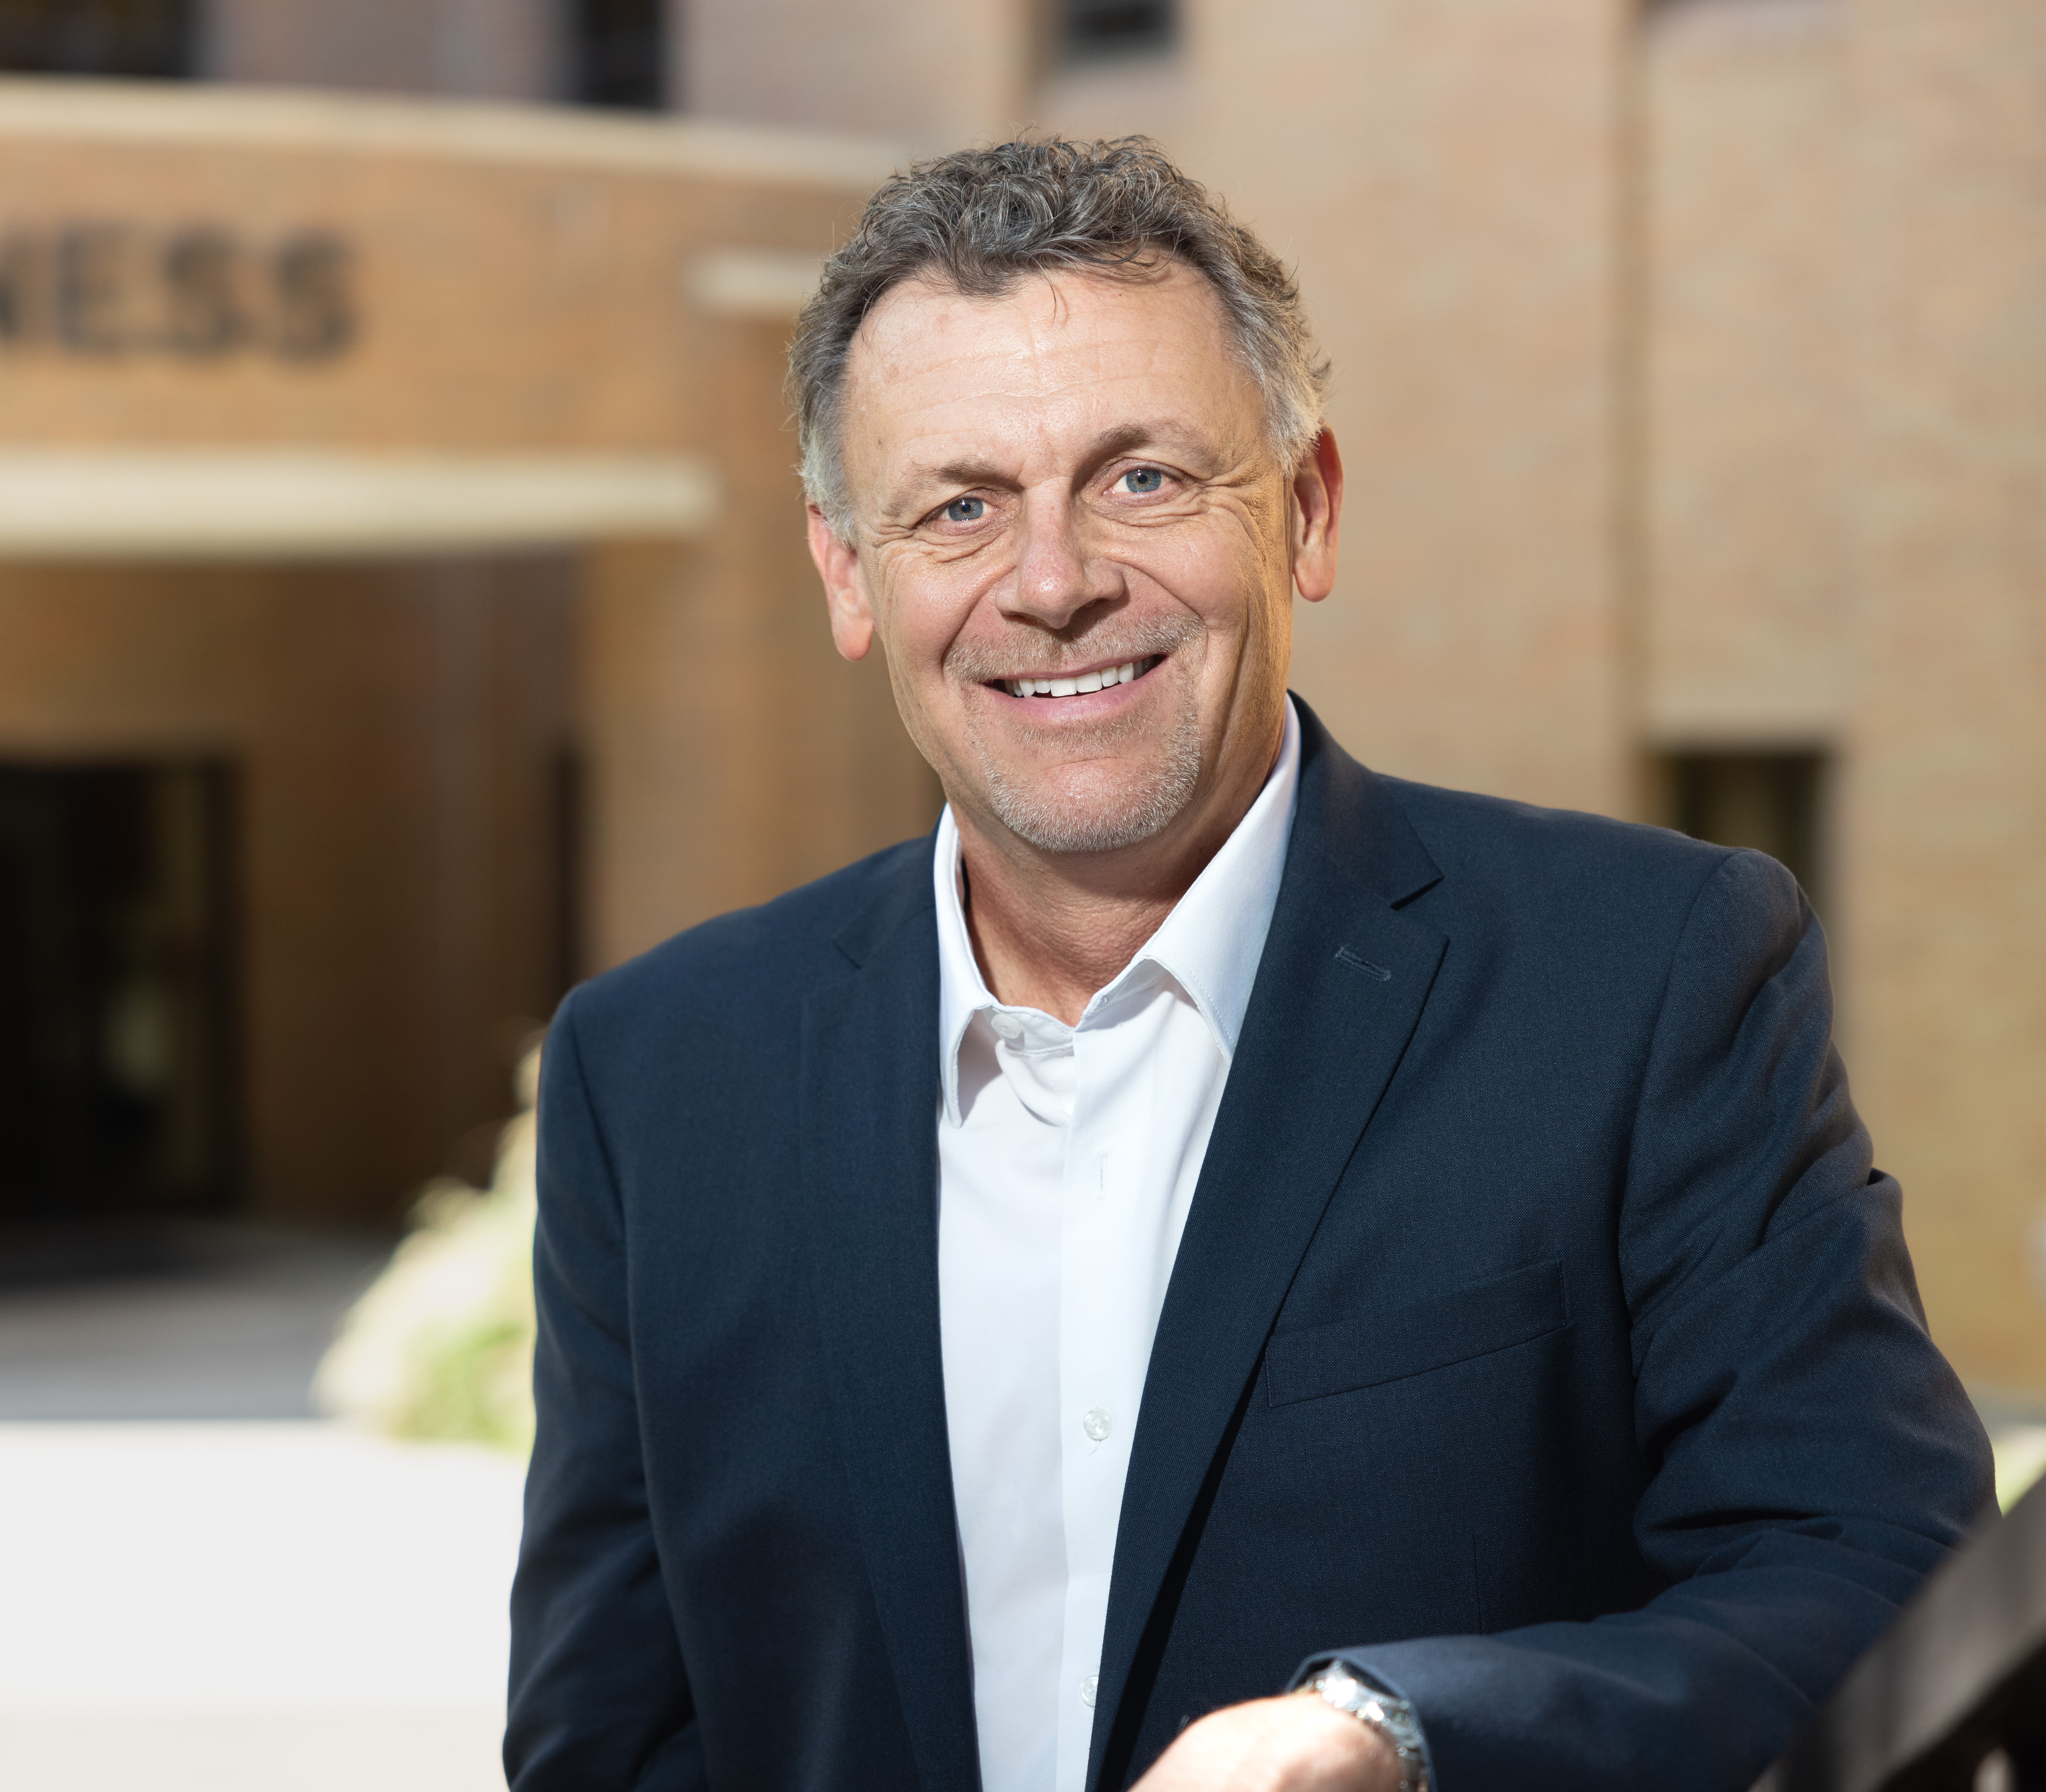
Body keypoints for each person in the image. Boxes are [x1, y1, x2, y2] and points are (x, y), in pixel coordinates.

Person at [504, 138, 1991, 1792]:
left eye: (1140, 479)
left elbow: (1876, 1577)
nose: (1053, 583)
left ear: (1307, 509)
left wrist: (1400, 1736)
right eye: (959, 507)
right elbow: (609, 1741)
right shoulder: (657, 1075)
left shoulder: (1643, 980)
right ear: (850, 572)